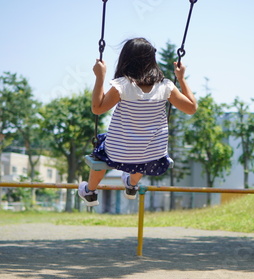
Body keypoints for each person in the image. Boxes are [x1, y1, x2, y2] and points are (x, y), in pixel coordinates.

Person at [78, 37, 197, 207]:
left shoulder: (123, 85)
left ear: (125, 60)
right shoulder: (166, 87)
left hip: (118, 153)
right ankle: (132, 185)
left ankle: (89, 191)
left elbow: (97, 108)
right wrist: (182, 78)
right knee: (143, 150)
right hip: (153, 157)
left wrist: (100, 77)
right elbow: (191, 108)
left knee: (101, 150)